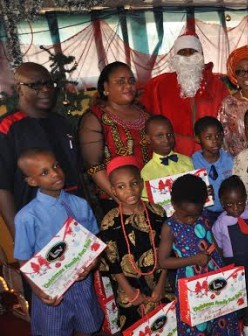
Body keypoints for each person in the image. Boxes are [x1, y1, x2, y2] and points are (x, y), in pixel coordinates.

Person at [14, 148, 103, 336]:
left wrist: (93, 261)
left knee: (87, 327)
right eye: (44, 172)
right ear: (32, 181)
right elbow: (24, 259)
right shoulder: (27, 217)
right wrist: (38, 291)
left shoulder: (80, 204)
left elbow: (94, 240)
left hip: (82, 284)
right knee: (53, 330)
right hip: (51, 288)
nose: (55, 173)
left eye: (56, 166)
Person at [0, 62, 82, 239]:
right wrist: (20, 236)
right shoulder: (7, 128)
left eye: (48, 83)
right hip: (39, 228)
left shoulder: (62, 123)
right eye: (35, 85)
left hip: (76, 220)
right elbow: (2, 188)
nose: (45, 90)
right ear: (19, 89)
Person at [158, 174, 240, 336]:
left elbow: (212, 240)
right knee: (198, 323)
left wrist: (224, 266)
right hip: (191, 283)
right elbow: (163, 261)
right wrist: (194, 259)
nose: (192, 219)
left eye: (196, 214)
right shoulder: (170, 227)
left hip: (215, 273)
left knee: (220, 315)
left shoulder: (204, 215)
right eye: (187, 215)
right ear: (174, 204)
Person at [98, 156, 167, 331]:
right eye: (121, 187)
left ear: (142, 183)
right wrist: (130, 292)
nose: (130, 190)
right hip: (129, 292)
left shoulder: (157, 212)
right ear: (113, 190)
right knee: (136, 328)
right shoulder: (110, 222)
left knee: (167, 327)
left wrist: (160, 287)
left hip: (161, 287)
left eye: (134, 183)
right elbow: (112, 264)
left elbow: (167, 253)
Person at [141, 33, 230, 156]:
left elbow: (227, 122)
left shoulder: (216, 85)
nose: (188, 56)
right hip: (173, 153)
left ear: (201, 55)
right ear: (175, 56)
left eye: (192, 52)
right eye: (182, 52)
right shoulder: (158, 86)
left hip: (209, 152)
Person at [79, 61, 151, 211]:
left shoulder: (144, 112)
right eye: (120, 82)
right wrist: (124, 199)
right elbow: (94, 167)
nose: (128, 85)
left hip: (151, 193)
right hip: (119, 201)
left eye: (131, 81)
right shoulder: (95, 117)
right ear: (105, 87)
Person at [213, 175, 248, 336]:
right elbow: (218, 248)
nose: (236, 208)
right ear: (222, 203)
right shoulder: (220, 223)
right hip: (233, 266)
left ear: (245, 199)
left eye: (240, 203)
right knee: (238, 298)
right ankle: (243, 327)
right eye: (230, 205)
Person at [140, 115, 194, 200]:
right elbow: (149, 206)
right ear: (148, 139)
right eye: (160, 136)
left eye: (169, 134)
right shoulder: (146, 173)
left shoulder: (188, 161)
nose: (166, 140)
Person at [191, 116, 233, 223]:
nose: (215, 141)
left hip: (228, 211)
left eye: (218, 135)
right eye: (208, 137)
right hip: (204, 214)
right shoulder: (193, 163)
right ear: (197, 139)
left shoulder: (230, 160)